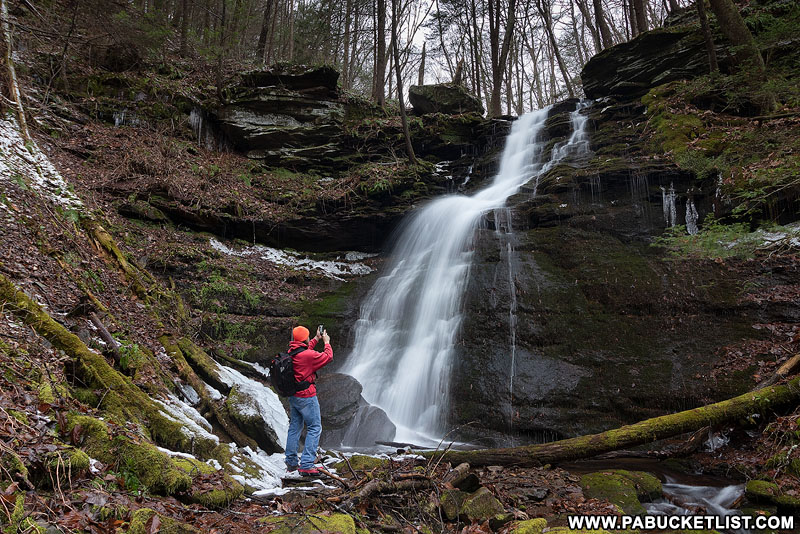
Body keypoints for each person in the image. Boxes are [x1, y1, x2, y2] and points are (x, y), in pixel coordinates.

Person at [284, 325, 333, 476]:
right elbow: (328, 357)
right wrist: (326, 342)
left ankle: (291, 463)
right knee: (314, 427)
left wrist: (316, 339)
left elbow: (304, 350)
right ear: (304, 338)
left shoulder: (291, 351)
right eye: (308, 336)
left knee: (295, 427)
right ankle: (306, 464)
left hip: (294, 396)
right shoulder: (307, 356)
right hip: (307, 397)